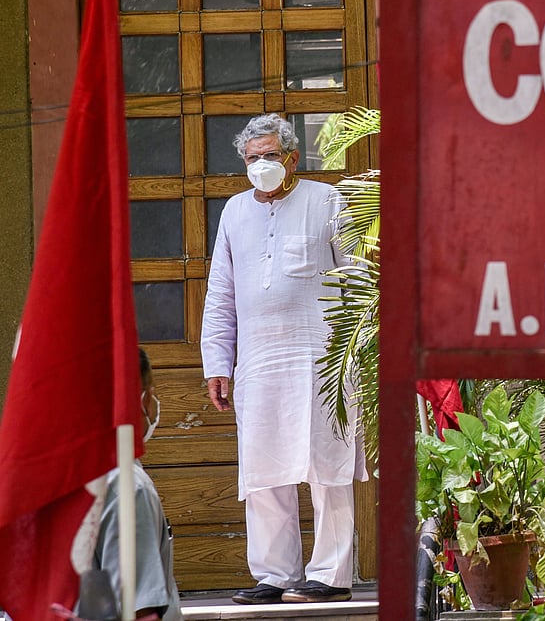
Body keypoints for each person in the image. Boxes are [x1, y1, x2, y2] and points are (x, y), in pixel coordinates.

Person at [201, 113, 366, 605]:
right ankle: (275, 575)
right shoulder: (233, 212)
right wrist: (217, 363)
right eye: (252, 159)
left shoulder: (326, 200)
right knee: (264, 468)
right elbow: (221, 294)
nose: (261, 165)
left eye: (270, 156)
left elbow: (355, 277)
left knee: (326, 463)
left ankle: (331, 575)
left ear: (292, 158)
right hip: (259, 361)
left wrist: (358, 349)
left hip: (323, 358)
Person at [84, 349, 182, 621]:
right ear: (142, 400)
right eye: (152, 393)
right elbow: (139, 610)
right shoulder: (125, 487)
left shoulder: (49, 476)